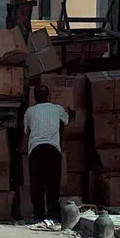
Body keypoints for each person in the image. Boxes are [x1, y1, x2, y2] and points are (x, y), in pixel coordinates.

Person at [24, 84, 71, 222]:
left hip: (36, 150)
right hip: (53, 150)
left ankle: (38, 214)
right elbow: (66, 121)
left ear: (34, 97)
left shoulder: (29, 111)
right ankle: (53, 214)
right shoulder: (57, 108)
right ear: (48, 96)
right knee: (53, 184)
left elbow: (26, 130)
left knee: (36, 185)